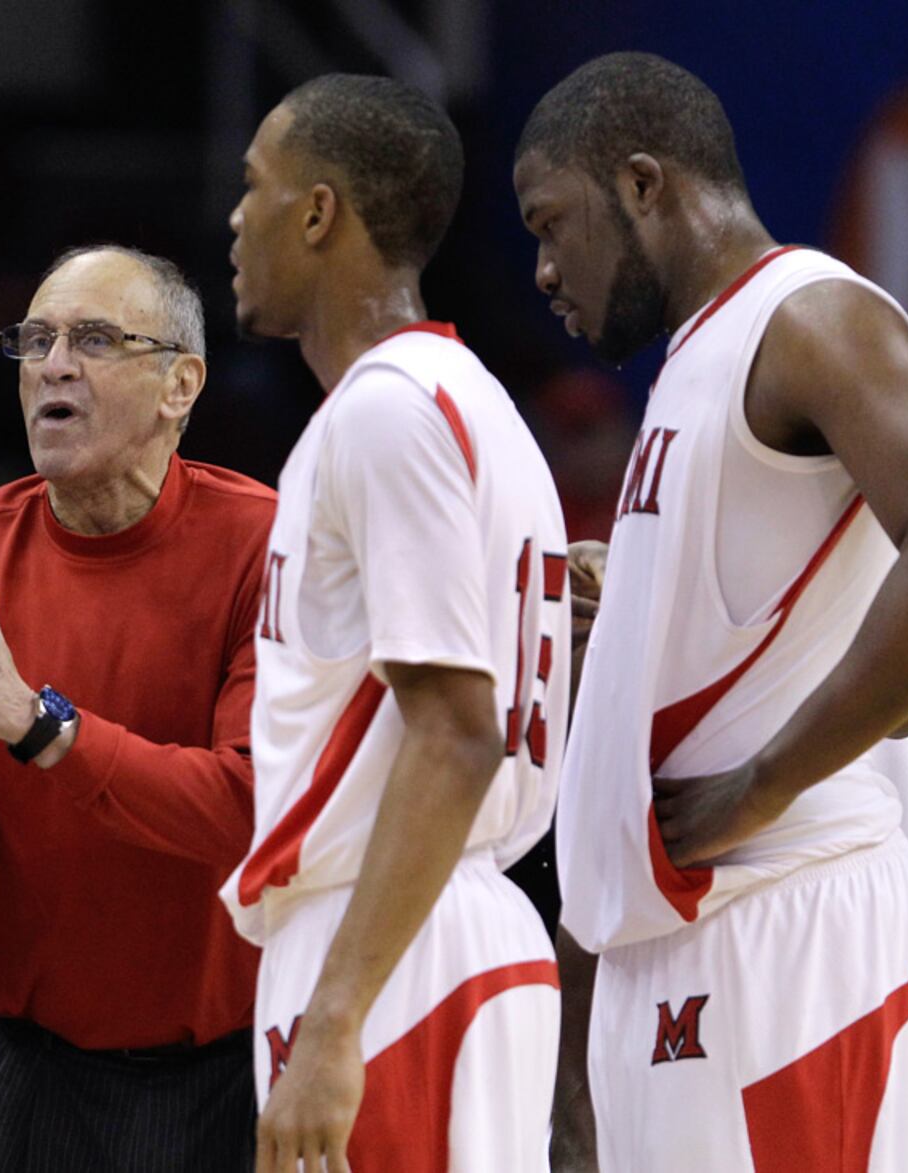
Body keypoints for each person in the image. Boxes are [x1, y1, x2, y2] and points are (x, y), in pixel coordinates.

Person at [514, 51, 908, 1171]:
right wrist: (639, 605)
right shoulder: (697, 359)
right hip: (683, 947)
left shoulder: (810, 316)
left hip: (786, 931)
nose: (543, 269)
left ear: (646, 185)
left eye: (552, 223)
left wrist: (766, 782)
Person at [0, 243, 274, 1171]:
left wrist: (35, 725)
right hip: (32, 1075)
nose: (52, 363)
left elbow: (246, 811)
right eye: (35, 339)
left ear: (181, 385)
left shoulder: (266, 549)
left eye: (91, 338)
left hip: (233, 1070)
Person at [224, 74, 568, 1171]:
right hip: (431, 928)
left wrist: (334, 1018)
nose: (235, 219)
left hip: (392, 953)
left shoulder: (387, 413)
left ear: (318, 212)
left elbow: (456, 731)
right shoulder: (467, 405)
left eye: (255, 187)